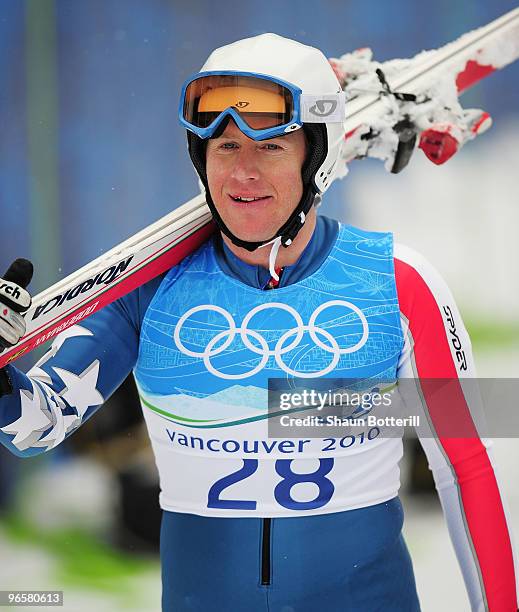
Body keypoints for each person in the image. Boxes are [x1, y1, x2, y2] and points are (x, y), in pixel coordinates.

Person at [0, 33, 517, 612]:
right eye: (223, 147)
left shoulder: (398, 283)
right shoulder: (145, 291)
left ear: (317, 156)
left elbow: (467, 470)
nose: (241, 172)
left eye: (270, 147)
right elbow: (28, 429)